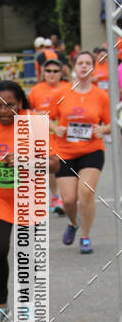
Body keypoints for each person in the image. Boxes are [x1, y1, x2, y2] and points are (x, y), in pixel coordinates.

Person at [0, 81, 58, 322]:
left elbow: (54, 165)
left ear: (21, 103)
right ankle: (1, 304)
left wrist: (26, 160)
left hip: (29, 195)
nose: (4, 111)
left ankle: (27, 303)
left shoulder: (35, 123)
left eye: (10, 105)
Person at [49, 50, 111, 253]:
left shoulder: (101, 95)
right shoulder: (60, 93)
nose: (84, 66)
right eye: (80, 63)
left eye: (88, 63)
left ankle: (85, 236)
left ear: (93, 67)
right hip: (65, 151)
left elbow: (111, 123)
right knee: (67, 199)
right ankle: (73, 223)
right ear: (73, 67)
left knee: (85, 192)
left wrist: (104, 129)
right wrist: (55, 128)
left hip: (91, 150)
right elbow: (47, 117)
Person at [27, 59, 69, 215]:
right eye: (48, 71)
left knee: (64, 165)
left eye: (55, 71)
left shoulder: (67, 88)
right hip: (43, 134)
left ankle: (63, 198)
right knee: (50, 169)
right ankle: (56, 195)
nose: (51, 74)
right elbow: (26, 110)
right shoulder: (36, 90)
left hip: (64, 135)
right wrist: (37, 115)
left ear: (61, 73)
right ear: (43, 73)